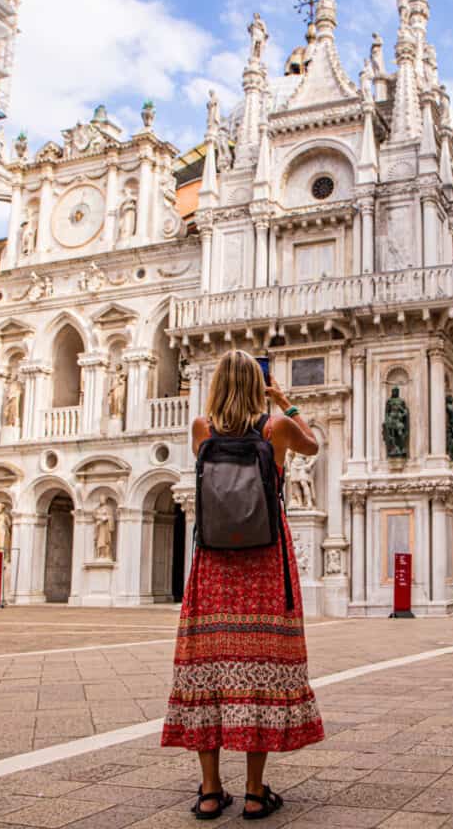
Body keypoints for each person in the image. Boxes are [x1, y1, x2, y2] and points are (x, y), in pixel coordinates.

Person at [162, 350, 323, 821]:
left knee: (208, 666)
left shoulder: (201, 429)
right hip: (265, 557)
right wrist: (284, 401)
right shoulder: (276, 429)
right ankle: (255, 793)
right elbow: (313, 444)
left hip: (214, 561)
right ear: (259, 384)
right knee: (260, 665)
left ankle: (211, 791)